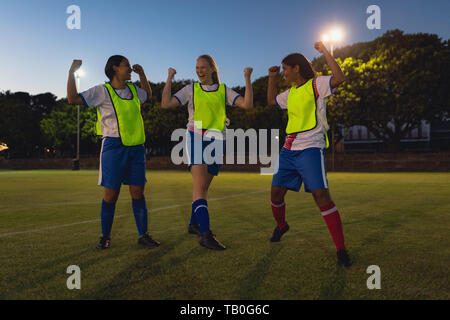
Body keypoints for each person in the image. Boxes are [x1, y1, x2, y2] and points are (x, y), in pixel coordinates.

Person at [267, 42, 352, 267]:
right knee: (275, 195)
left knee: (321, 196)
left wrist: (325, 51)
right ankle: (282, 226)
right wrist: (272, 78)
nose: (283, 72)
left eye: (285, 69)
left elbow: (340, 78)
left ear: (297, 68)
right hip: (288, 149)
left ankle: (341, 249)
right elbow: (270, 101)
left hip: (311, 147)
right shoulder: (290, 93)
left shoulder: (317, 84)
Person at [67, 55, 160, 250]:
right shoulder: (102, 91)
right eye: (126, 65)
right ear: (115, 68)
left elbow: (148, 95)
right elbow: (72, 99)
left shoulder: (134, 90)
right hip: (113, 147)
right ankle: (105, 237)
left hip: (136, 148)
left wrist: (143, 74)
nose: (129, 68)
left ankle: (143, 235)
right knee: (111, 194)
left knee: (138, 192)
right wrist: (71, 72)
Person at [161, 55, 253, 250]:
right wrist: (169, 77)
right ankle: (205, 234)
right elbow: (166, 104)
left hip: (217, 140)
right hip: (195, 137)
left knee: (203, 186)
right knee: (200, 187)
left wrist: (247, 78)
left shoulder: (222, 90)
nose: (199, 71)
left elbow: (247, 105)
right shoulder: (190, 89)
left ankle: (194, 224)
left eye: (203, 67)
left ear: (212, 69)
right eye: (197, 67)